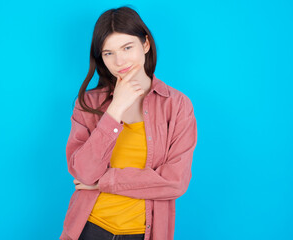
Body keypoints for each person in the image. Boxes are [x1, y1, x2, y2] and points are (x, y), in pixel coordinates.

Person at [60, 6, 198, 240]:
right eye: (108, 53)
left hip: (144, 232)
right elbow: (84, 173)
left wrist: (104, 182)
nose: (119, 60)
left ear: (145, 45)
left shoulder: (177, 106)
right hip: (89, 228)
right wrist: (115, 109)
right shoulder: (89, 103)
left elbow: (175, 182)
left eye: (127, 47)